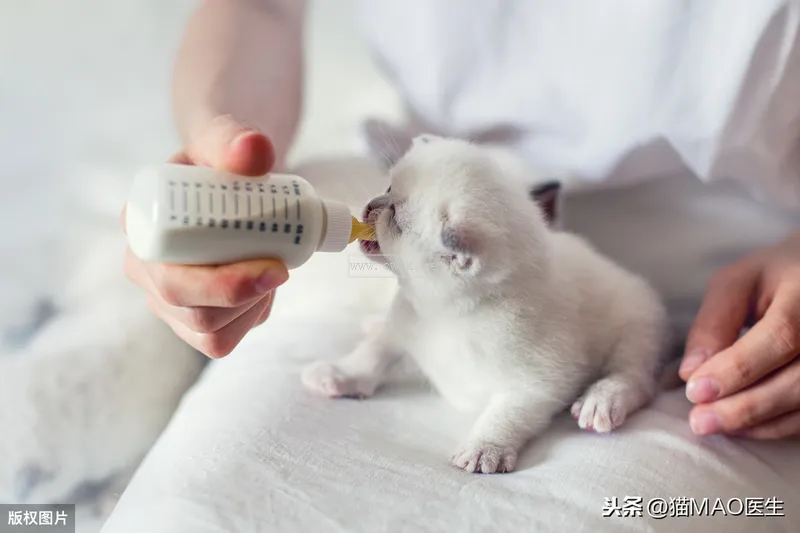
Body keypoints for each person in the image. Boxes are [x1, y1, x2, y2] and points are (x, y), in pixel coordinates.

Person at [123, 0, 800, 441]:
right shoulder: (426, 250)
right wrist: (225, 143)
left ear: (462, 254)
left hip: (740, 310)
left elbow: (538, 378)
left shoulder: (517, 301)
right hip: (445, 195)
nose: (368, 219)